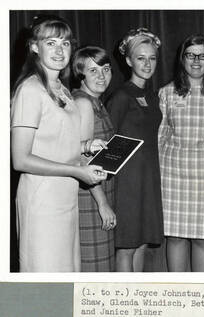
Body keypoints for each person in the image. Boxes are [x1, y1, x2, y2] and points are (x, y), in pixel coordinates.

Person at [10, 15, 107, 272]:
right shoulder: (30, 90)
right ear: (34, 47)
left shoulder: (62, 89)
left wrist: (86, 146)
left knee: (66, 277)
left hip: (66, 198)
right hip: (42, 201)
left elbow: (58, 140)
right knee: (45, 286)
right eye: (50, 42)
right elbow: (20, 159)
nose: (59, 50)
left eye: (64, 43)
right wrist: (77, 171)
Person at [158, 35, 204, 272]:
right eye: (190, 55)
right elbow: (160, 136)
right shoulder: (166, 93)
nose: (196, 61)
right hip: (173, 174)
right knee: (175, 237)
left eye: (202, 56)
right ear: (182, 58)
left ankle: (201, 293)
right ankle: (178, 295)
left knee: (203, 238)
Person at [107, 28, 163, 272]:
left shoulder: (152, 96)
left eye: (151, 58)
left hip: (148, 179)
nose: (147, 63)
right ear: (129, 60)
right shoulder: (121, 96)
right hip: (126, 182)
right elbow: (107, 143)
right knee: (127, 247)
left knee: (141, 244)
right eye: (140, 58)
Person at [71, 46, 117, 272]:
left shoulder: (95, 101)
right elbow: (81, 157)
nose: (102, 76)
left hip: (99, 189)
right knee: (94, 265)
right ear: (81, 74)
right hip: (90, 194)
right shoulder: (83, 103)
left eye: (106, 69)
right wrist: (102, 203)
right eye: (93, 71)